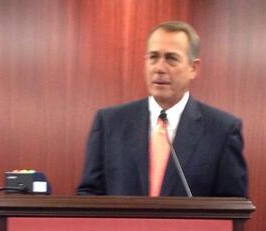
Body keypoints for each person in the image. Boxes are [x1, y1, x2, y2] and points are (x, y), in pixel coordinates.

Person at [77, 20, 248, 198]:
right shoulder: (109, 123)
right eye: (153, 57)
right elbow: (89, 193)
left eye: (171, 59)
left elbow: (233, 205)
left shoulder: (222, 131)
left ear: (193, 68)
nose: (159, 68)